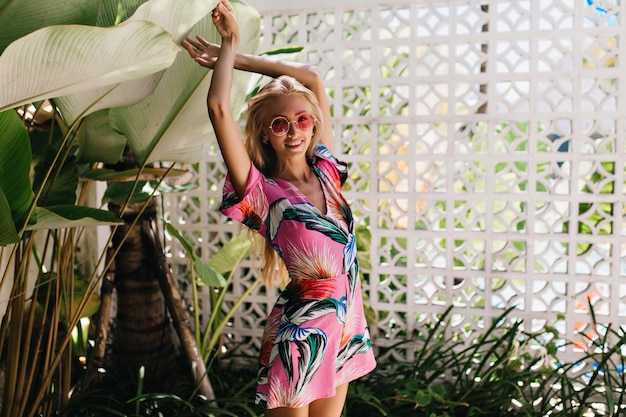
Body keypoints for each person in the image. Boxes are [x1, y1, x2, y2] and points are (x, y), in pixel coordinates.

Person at [182, 1, 376, 416]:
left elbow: (311, 77)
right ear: (265, 134)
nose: (294, 131)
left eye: (303, 120)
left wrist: (237, 59)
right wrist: (229, 43)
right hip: (301, 337)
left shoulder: (327, 169)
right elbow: (218, 109)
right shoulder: (263, 192)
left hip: (345, 328)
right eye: (279, 123)